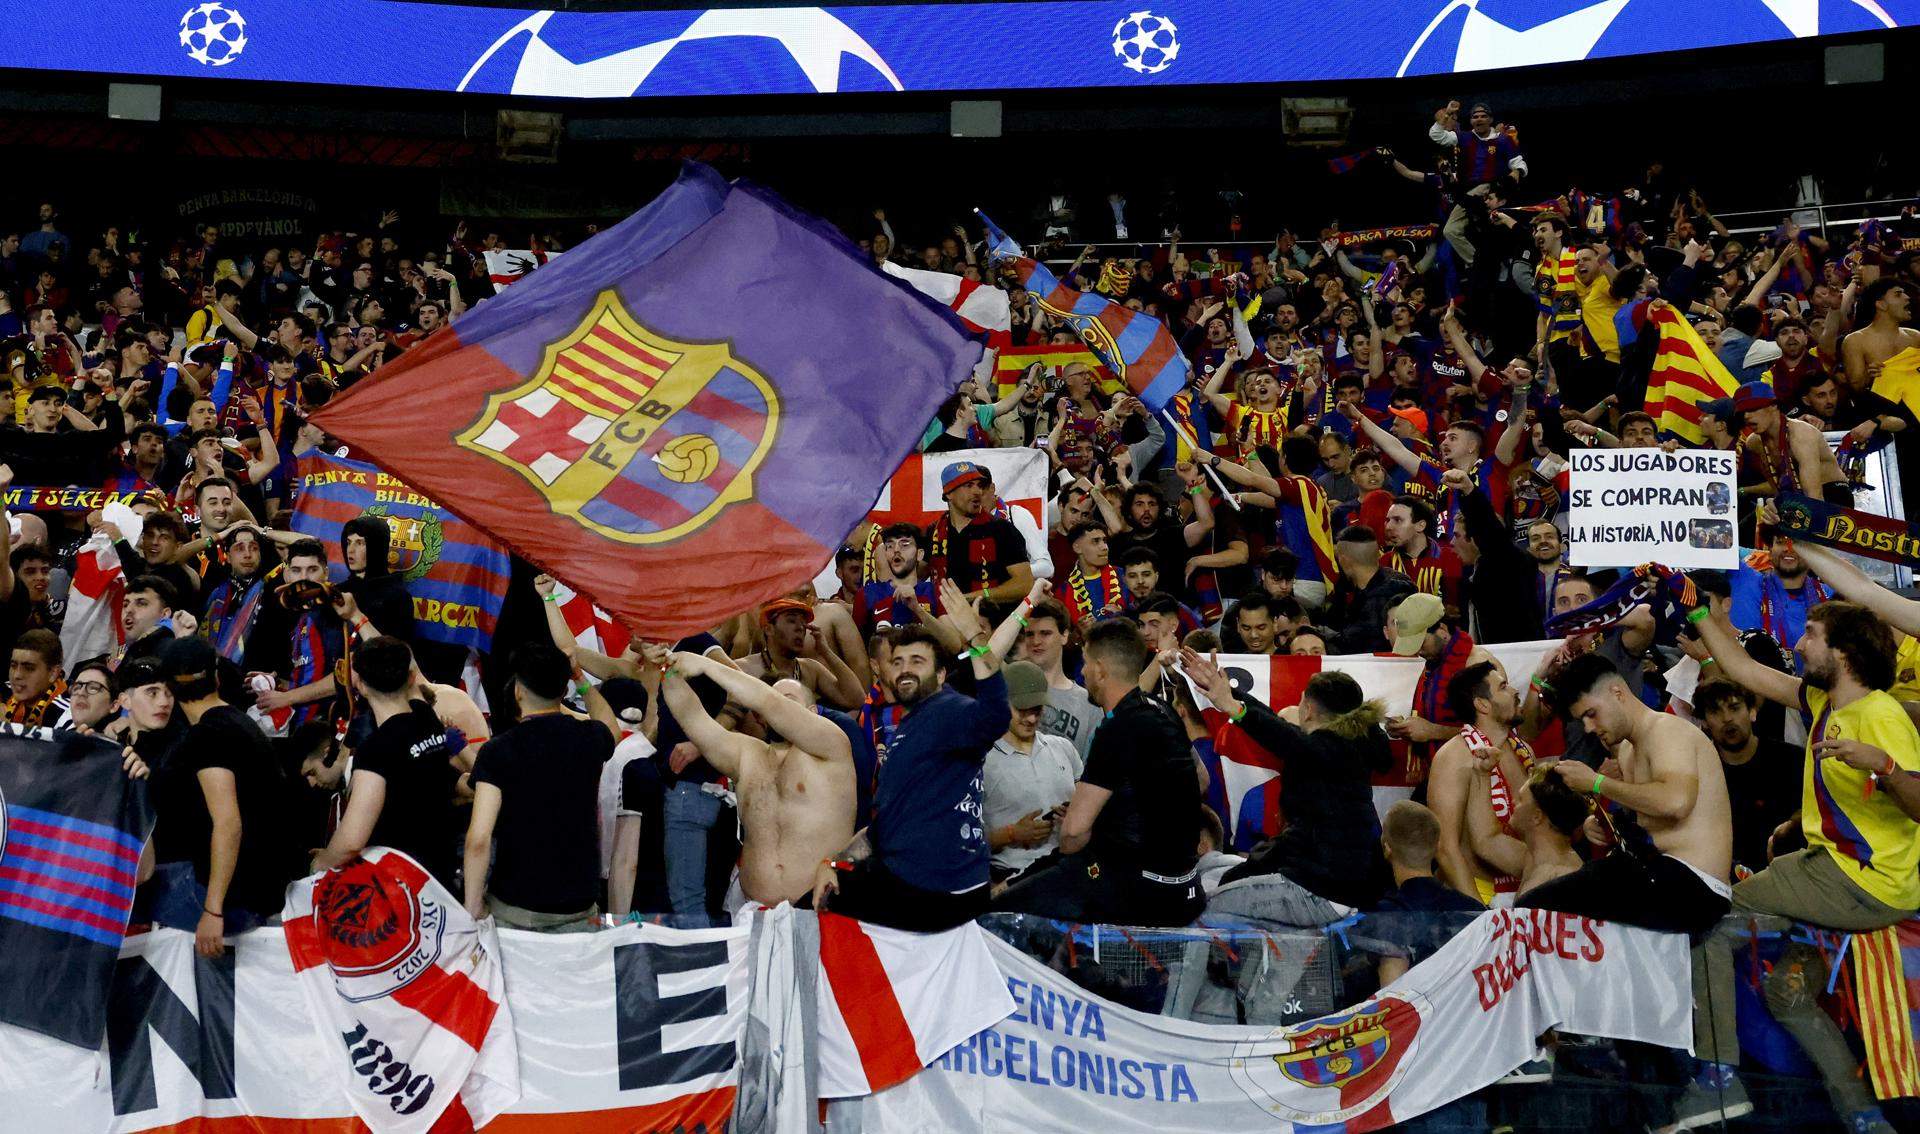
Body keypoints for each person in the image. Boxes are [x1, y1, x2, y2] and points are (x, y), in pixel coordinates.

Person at [1690, 598, 1918, 1133]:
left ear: (1844, 651)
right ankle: (1863, 1117)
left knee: (1705, 922)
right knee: (1786, 994)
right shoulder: (1822, 700)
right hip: (1838, 877)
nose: (1797, 643)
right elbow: (1743, 669)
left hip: (1856, 884)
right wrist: (1698, 612)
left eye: (1810, 634)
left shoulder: (1882, 714)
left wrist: (1882, 766)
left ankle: (1718, 1083)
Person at [812, 577, 1018, 930]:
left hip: (939, 891)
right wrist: (834, 862)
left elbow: (995, 714)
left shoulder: (951, 710)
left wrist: (975, 640)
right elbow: (885, 828)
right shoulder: (909, 727)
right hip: (916, 883)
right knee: (818, 897)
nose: (905, 668)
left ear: (941, 676)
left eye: (917, 661)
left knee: (807, 914)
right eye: (898, 661)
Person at [995, 620, 1203, 926]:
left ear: (1101, 670)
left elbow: (1073, 834)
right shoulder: (1164, 710)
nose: (1082, 672)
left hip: (1138, 892)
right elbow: (1201, 780)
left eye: (1086, 664)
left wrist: (1097, 825)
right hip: (1187, 890)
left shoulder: (1116, 728)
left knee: (1000, 912)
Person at [1185, 650, 1389, 921]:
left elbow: (1283, 737)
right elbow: (1281, 728)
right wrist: (1233, 698)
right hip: (1335, 885)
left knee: (1200, 907)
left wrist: (1234, 709)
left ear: (1309, 710)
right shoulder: (1349, 748)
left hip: (1317, 890)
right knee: (1214, 867)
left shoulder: (1326, 750)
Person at [658, 642, 857, 909]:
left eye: (790, 702)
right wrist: (667, 667)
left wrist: (707, 664)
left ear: (812, 713)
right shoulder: (747, 754)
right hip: (754, 914)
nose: (774, 712)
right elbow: (691, 716)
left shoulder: (833, 746)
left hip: (820, 911)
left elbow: (768, 702)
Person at [462, 642, 619, 931]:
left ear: (518, 690)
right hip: (580, 908)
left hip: (516, 911)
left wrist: (472, 907)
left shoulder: (498, 751)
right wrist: (581, 679)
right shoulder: (589, 739)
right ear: (563, 691)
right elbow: (611, 726)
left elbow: (478, 839)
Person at [155, 638, 293, 955]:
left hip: (234, 898)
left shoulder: (209, 736)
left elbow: (228, 823)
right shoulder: (237, 723)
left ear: (169, 689)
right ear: (216, 678)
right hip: (259, 887)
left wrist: (213, 910)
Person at [311, 636, 466, 887]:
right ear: (411, 677)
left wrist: (320, 864)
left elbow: (351, 842)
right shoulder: (427, 719)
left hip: (399, 885)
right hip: (440, 874)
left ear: (359, 683)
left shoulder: (375, 750)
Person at [1425, 660, 1536, 905]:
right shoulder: (1454, 757)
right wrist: (1476, 915)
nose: (1515, 691)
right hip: (1480, 894)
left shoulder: (1524, 750)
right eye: (1504, 687)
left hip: (1526, 889)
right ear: (1482, 704)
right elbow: (1445, 847)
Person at [1354, 801, 1485, 987]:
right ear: (1437, 846)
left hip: (1417, 1014)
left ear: (1387, 848)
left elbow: (1391, 995)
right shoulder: (1473, 911)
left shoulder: (1386, 916)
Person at [983, 660, 1082, 883]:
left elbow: (1087, 815)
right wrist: (1011, 834)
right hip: (1011, 879)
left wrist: (1075, 819)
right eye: (1022, 710)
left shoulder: (1063, 748)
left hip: (1065, 872)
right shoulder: (982, 761)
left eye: (1036, 710)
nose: (1031, 719)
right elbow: (964, 841)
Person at [1692, 679, 1803, 873]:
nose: (1727, 718)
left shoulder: (1793, 760)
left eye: (1734, 708)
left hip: (1794, 872)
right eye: (1715, 711)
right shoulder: (1698, 776)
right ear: (1704, 722)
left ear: (1752, 711)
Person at [1015, 596, 1102, 761]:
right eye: (1030, 634)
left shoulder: (1089, 704)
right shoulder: (1010, 688)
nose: (1036, 641)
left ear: (1064, 636)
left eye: (1045, 633)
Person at [1323, 524, 1415, 654]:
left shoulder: (1385, 595)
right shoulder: (1351, 588)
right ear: (1377, 555)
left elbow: (1354, 644)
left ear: (1344, 561)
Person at [3, 627, 64, 727]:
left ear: (53, 673)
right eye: (13, 666)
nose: (16, 675)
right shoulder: (5, 692)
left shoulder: (66, 715)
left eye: (28, 668)